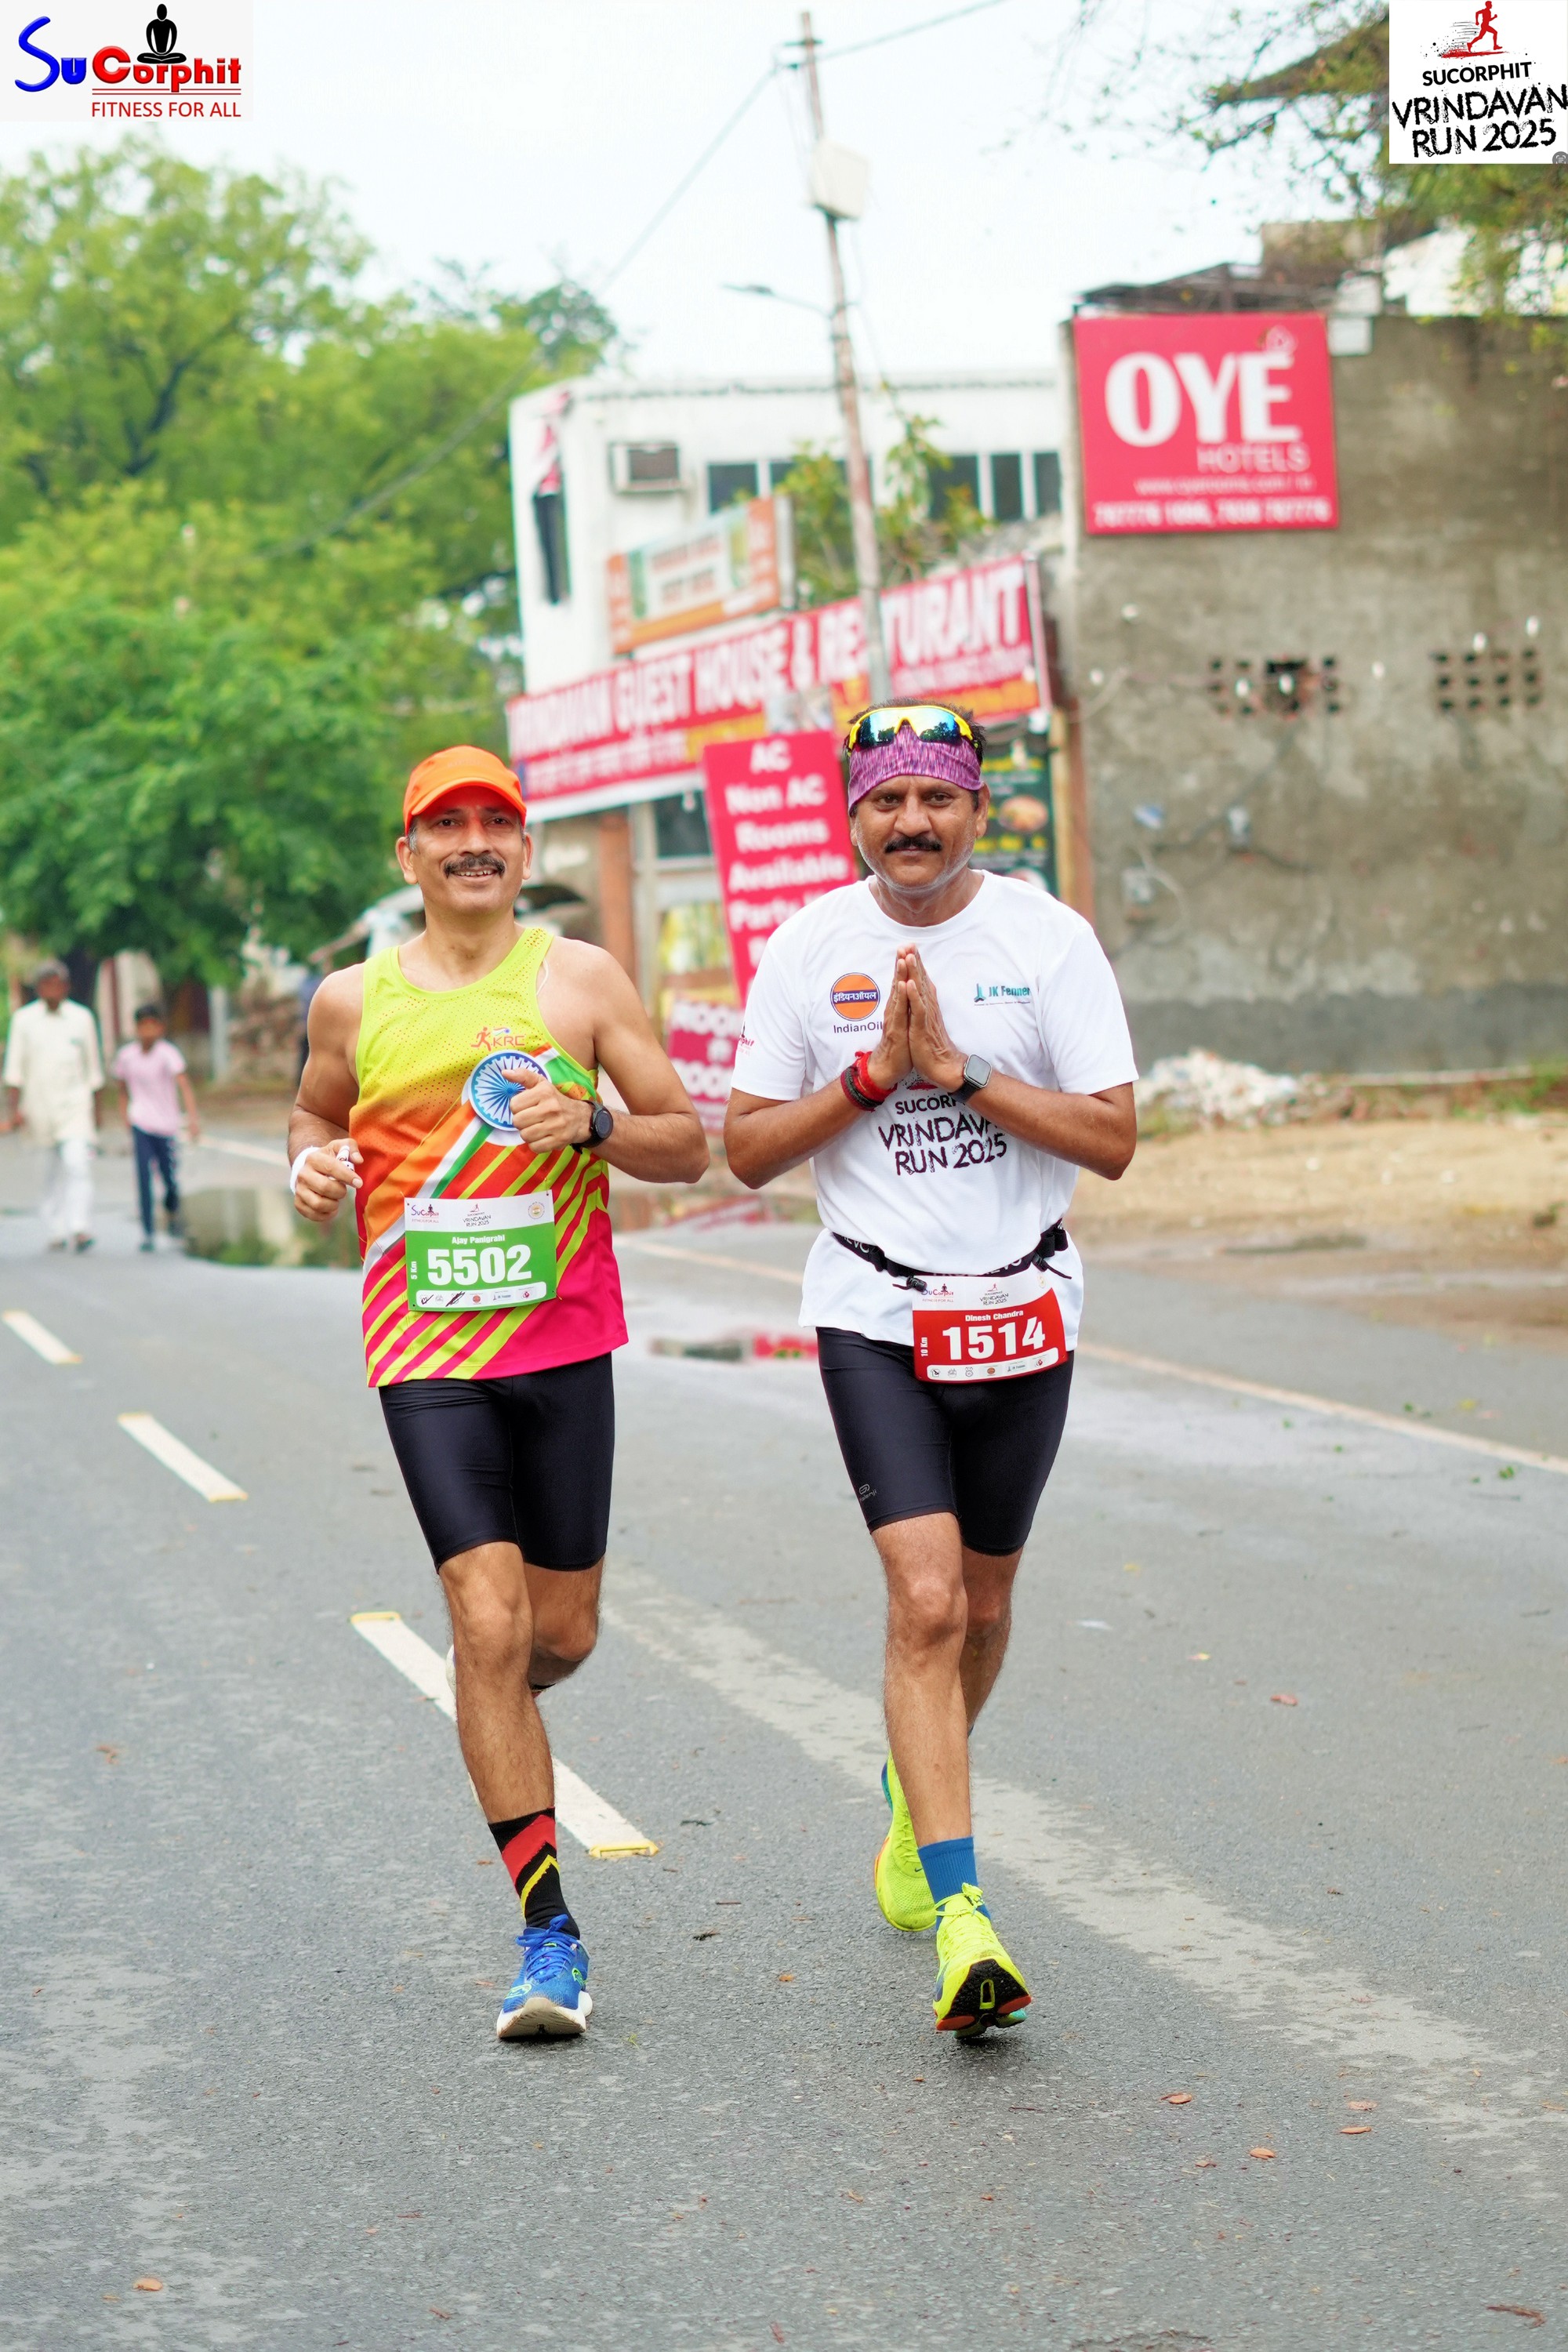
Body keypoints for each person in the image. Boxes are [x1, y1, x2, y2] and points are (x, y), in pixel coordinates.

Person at [725, 704, 1138, 2044]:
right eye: (886, 800)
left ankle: (917, 1798)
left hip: (1023, 1306)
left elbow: (1113, 1138)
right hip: (877, 1312)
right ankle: (965, 1916)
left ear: (977, 810)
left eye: (936, 798)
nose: (911, 822)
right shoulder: (809, 948)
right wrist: (868, 1079)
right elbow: (746, 1150)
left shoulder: (1047, 941)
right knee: (927, 1598)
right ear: (853, 815)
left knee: (989, 1603)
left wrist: (961, 1077)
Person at [289, 745, 707, 2042]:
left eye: (497, 823)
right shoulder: (351, 1001)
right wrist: (313, 1169)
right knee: (486, 1621)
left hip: (564, 1343)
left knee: (554, 1637)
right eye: (446, 824)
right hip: (426, 1352)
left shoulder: (579, 980)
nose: (473, 841)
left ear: (526, 852)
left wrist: (593, 1125)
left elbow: (687, 1142)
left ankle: (492, 1708)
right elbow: (314, 1119)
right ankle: (548, 1937)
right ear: (408, 855)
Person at [1, 960, 106, 1253]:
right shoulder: (24, 1021)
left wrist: (97, 1113)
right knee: (47, 1172)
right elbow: (14, 1072)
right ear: (38, 988)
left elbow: (93, 1069)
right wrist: (14, 1111)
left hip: (75, 1107)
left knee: (77, 1164)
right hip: (38, 1109)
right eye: (46, 984)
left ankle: (80, 1226)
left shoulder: (82, 1018)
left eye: (56, 984)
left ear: (66, 987)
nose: (52, 989)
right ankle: (56, 1227)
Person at [113, 1002, 201, 1251]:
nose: (148, 1031)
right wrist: (125, 1117)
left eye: (153, 1026)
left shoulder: (167, 1054)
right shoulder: (127, 1056)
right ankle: (148, 1231)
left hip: (166, 1125)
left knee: (169, 1177)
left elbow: (184, 1086)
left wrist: (192, 1119)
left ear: (160, 1028)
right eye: (144, 1026)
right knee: (143, 1176)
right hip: (141, 1122)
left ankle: (172, 1212)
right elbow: (122, 1089)